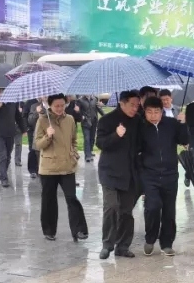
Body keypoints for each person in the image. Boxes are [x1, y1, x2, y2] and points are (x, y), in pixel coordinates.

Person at [138, 96, 191, 256]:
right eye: (149, 112)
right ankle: (150, 238)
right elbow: (136, 151)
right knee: (152, 207)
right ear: (145, 112)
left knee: (169, 210)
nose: (153, 115)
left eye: (156, 112)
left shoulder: (171, 124)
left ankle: (167, 243)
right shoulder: (140, 127)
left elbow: (184, 140)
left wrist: (183, 123)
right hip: (150, 175)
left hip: (170, 174)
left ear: (162, 112)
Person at [34, 94, 88, 241]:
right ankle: (49, 230)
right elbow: (37, 144)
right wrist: (48, 136)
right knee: (49, 200)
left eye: (62, 105)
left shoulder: (70, 119)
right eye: (56, 106)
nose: (59, 108)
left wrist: (74, 154)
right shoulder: (42, 120)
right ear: (50, 105)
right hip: (48, 168)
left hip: (67, 166)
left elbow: (74, 140)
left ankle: (79, 230)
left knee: (72, 198)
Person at [96, 91, 142, 259]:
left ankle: (123, 246)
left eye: (137, 105)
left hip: (130, 172)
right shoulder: (106, 120)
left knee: (126, 212)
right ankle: (107, 244)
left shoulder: (138, 120)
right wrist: (116, 135)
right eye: (132, 105)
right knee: (111, 207)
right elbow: (100, 143)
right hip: (110, 172)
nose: (135, 108)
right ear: (122, 103)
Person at [0, 89, 26, 188]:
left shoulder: (13, 102)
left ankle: (2, 173)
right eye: (2, 91)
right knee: (3, 155)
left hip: (10, 133)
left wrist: (24, 129)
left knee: (8, 156)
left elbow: (18, 117)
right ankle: (4, 178)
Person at [79, 96, 102, 162]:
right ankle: (87, 156)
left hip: (94, 122)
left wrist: (105, 116)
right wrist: (81, 116)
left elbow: (98, 109)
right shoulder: (80, 100)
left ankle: (90, 152)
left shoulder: (95, 99)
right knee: (87, 138)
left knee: (92, 138)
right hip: (85, 123)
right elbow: (78, 112)